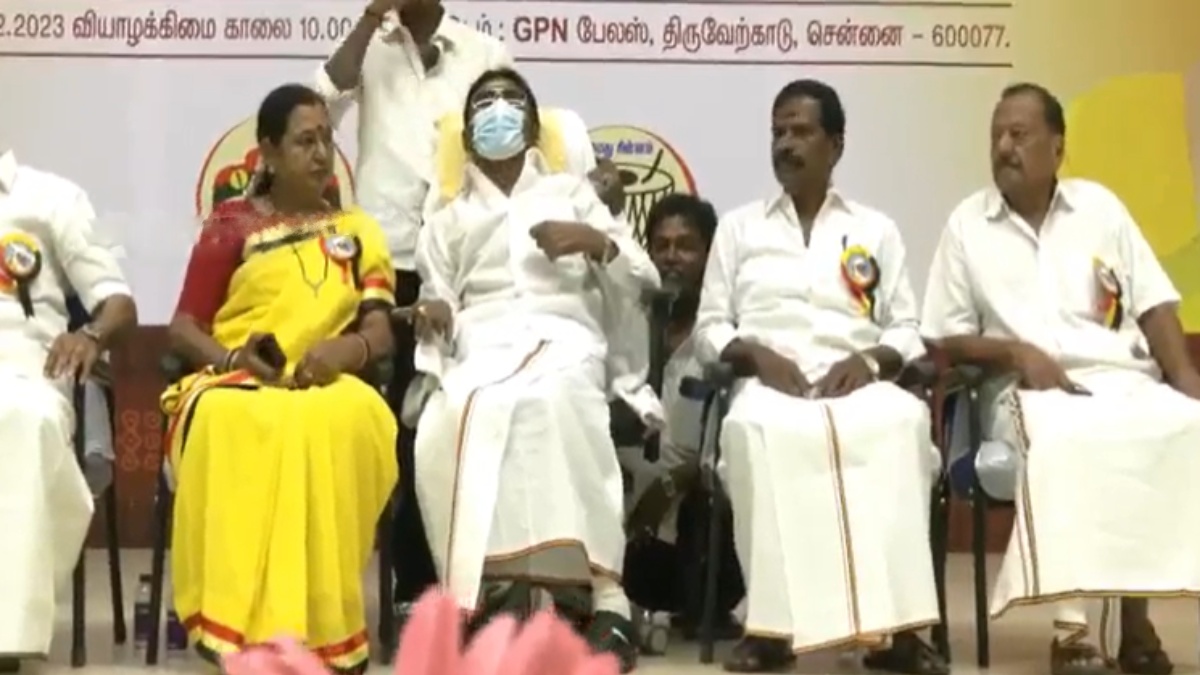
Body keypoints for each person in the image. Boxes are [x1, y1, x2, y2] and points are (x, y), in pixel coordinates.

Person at [315, 0, 599, 607]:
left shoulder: (483, 52)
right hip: (387, 254)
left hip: (459, 253)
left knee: (449, 412)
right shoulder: (371, 49)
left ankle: (466, 581)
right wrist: (370, 20)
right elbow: (324, 100)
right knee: (398, 424)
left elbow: (506, 135)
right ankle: (412, 587)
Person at [922, 82, 1200, 675]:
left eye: (1018, 134)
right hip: (1023, 392)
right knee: (1068, 440)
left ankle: (1135, 622)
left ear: (1058, 148)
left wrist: (1187, 383)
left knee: (1182, 425)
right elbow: (944, 336)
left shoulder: (1101, 209)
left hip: (1120, 379)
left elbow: (1154, 304)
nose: (1003, 147)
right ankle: (1072, 634)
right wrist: (1015, 352)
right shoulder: (968, 224)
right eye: (996, 135)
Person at [409, 68, 659, 672]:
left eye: (511, 100)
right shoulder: (445, 219)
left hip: (565, 336)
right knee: (454, 414)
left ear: (531, 125)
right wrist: (433, 313)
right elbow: (437, 298)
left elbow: (644, 278)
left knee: (555, 399)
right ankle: (479, 598)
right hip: (481, 345)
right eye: (484, 102)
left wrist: (594, 242)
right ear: (467, 135)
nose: (497, 109)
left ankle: (607, 600)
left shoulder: (574, 196)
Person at [693, 79, 945, 674]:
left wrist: (871, 362)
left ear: (836, 144)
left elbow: (907, 327)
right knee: (751, 431)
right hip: (771, 388)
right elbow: (709, 328)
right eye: (777, 132)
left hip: (855, 386)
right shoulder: (740, 228)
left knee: (903, 424)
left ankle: (901, 632)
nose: (786, 143)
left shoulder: (875, 229)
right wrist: (755, 354)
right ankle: (770, 629)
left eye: (801, 131)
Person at [163, 84, 399, 672]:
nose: (320, 155)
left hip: (328, 380)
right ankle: (242, 631)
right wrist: (233, 360)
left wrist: (349, 348)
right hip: (239, 381)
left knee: (349, 416)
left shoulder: (358, 228)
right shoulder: (231, 225)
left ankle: (326, 631)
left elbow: (380, 330)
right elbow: (183, 328)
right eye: (304, 141)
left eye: (327, 140)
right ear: (268, 152)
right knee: (233, 419)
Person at [0, 150, 137, 672]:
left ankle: (5, 633)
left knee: (23, 419)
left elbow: (118, 302)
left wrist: (90, 335)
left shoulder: (54, 198)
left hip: (25, 368)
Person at [617, 193, 745, 636]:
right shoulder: (626, 323)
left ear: (710, 257)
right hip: (628, 525)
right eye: (661, 245)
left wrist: (673, 482)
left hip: (695, 522)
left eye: (686, 246)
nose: (671, 257)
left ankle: (705, 610)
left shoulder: (729, 336)